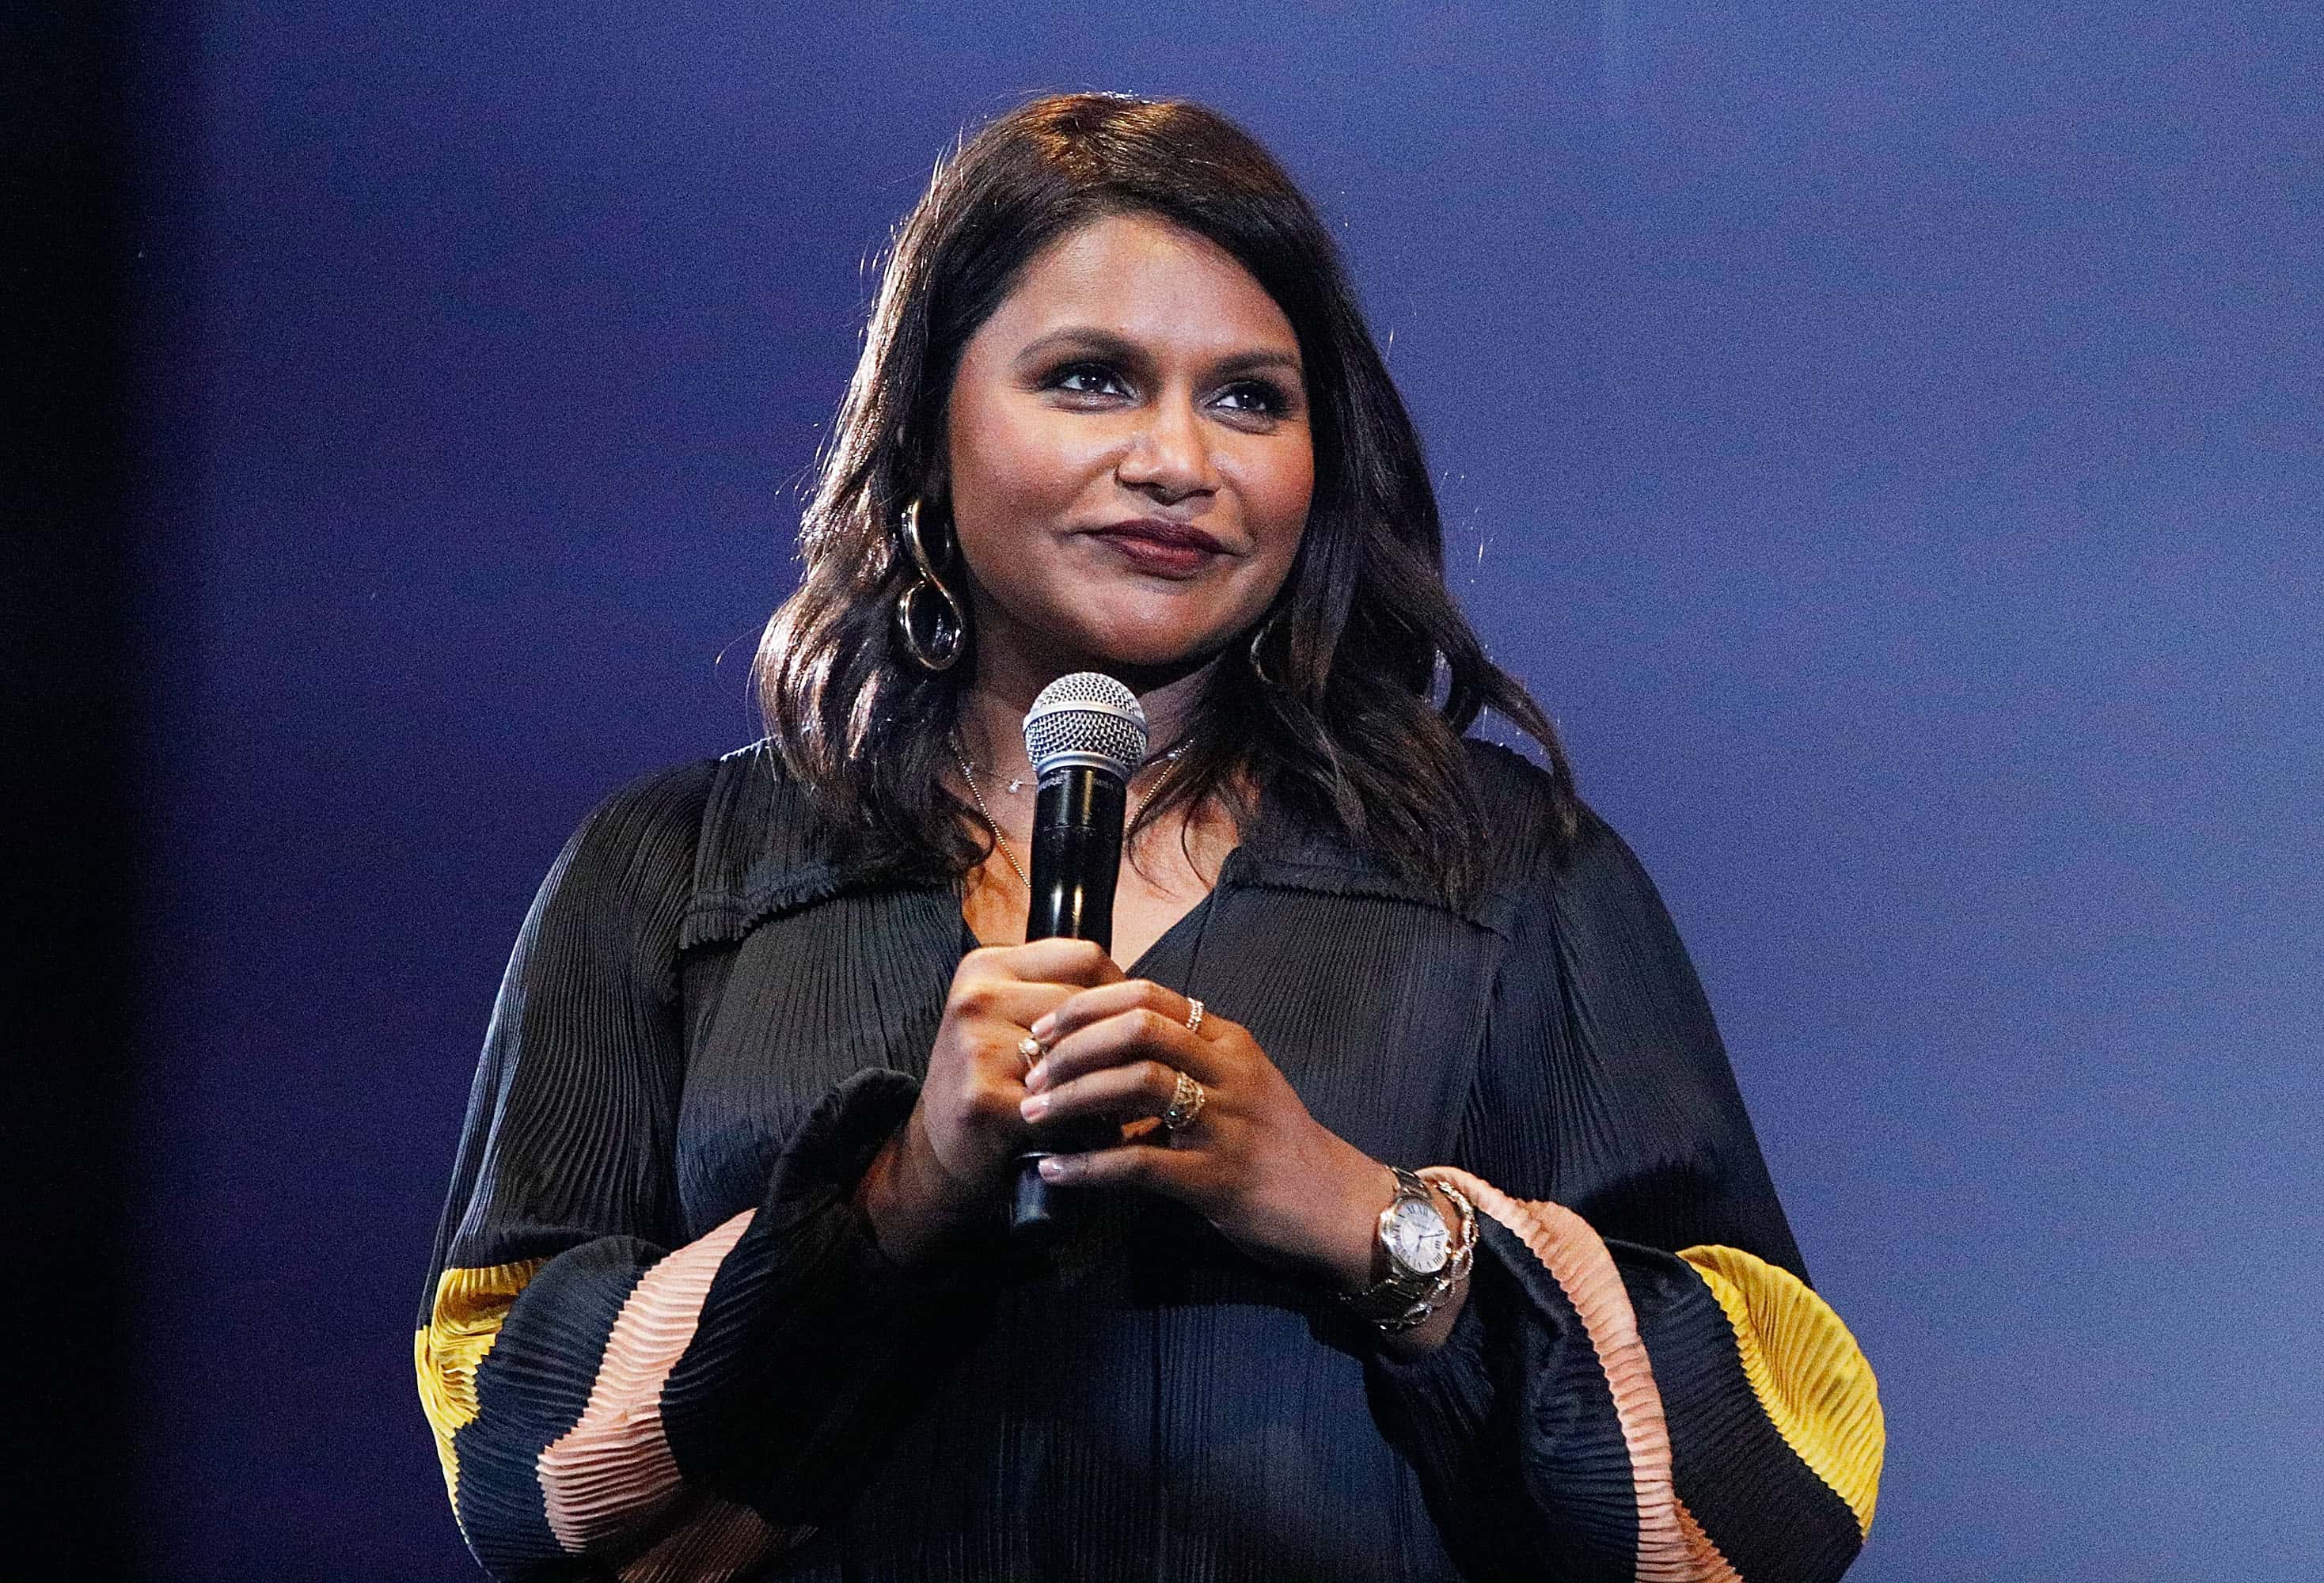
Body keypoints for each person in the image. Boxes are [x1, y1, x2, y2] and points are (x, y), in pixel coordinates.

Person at [415, 93, 1882, 1582]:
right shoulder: (678, 878)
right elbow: (509, 1446)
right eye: (1091, 380)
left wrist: (1356, 1215)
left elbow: (1776, 1481)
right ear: (927, 424)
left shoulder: (1506, 874)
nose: (1179, 458)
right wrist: (895, 1201)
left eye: (1250, 398)